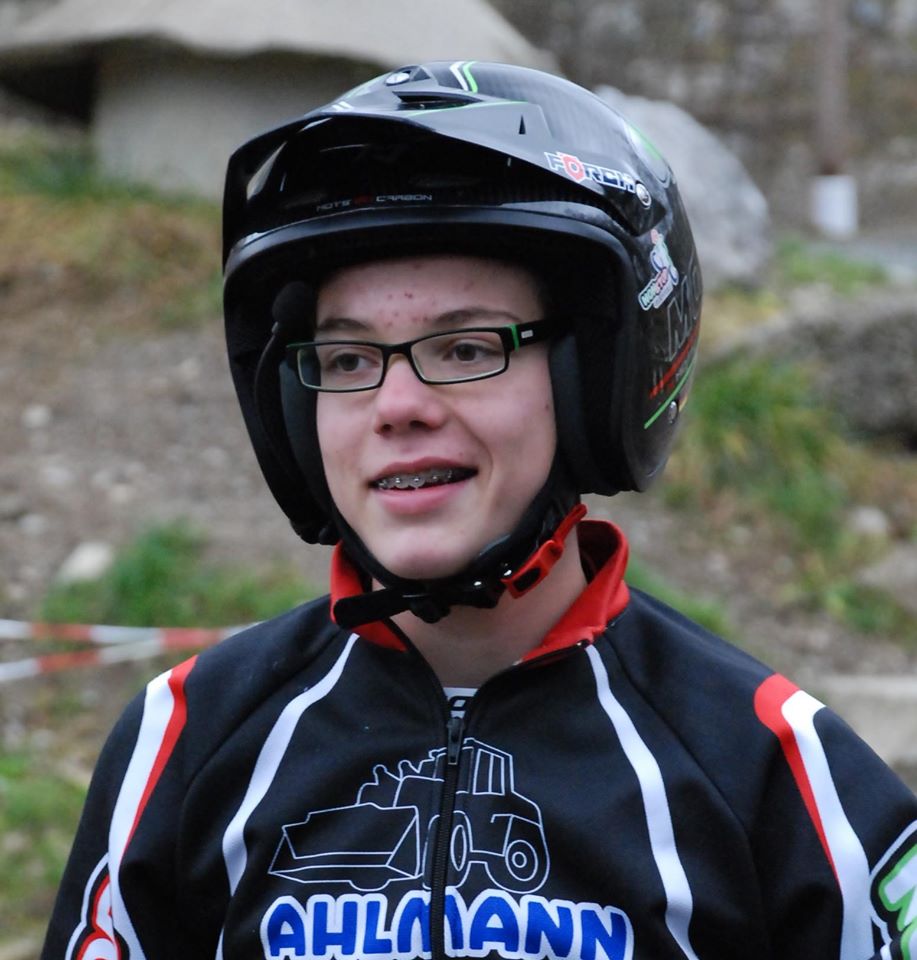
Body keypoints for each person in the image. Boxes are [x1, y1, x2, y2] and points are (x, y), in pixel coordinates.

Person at [42, 61, 917, 960]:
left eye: (465, 348)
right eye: (348, 360)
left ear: (594, 382)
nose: (396, 406)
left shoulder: (767, 764)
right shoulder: (185, 739)